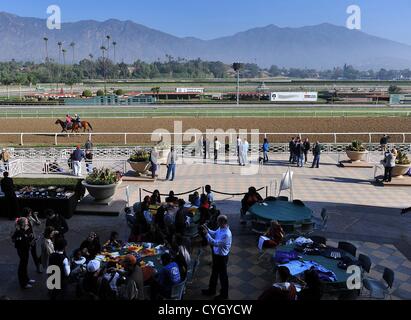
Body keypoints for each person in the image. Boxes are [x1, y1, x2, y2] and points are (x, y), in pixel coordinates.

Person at [202, 215, 232, 300]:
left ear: (223, 222)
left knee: (223, 277)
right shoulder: (221, 228)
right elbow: (215, 233)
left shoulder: (226, 234)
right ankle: (211, 290)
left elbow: (215, 243)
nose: (217, 223)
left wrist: (206, 234)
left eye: (218, 222)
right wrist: (207, 229)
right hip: (216, 255)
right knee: (214, 274)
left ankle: (224, 295)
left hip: (222, 258)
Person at [12, 217, 35, 289]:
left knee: (25, 265)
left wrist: (30, 237)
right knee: (22, 267)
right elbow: (17, 241)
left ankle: (27, 279)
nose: (27, 222)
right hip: (22, 251)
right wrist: (29, 243)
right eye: (26, 221)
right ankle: (23, 284)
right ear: (22, 223)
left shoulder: (25, 227)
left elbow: (28, 233)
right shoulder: (18, 231)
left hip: (26, 249)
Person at [21, 207, 42, 273]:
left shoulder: (30, 218)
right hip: (27, 239)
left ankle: (38, 268)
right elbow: (25, 229)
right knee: (25, 256)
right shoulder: (22, 220)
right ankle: (24, 271)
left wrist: (35, 216)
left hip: (32, 238)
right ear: (26, 213)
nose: (30, 214)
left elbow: (38, 223)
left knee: (34, 254)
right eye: (29, 213)